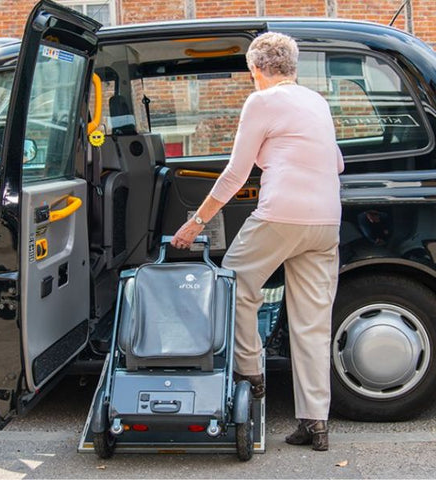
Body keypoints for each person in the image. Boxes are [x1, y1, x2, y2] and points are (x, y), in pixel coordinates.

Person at [171, 32, 344, 451]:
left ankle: (251, 371)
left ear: (256, 70)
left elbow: (235, 174)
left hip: (280, 215)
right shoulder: (316, 101)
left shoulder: (261, 101)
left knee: (232, 283)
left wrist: (196, 223)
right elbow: (336, 162)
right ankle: (315, 423)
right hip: (326, 221)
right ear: (292, 66)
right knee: (313, 324)